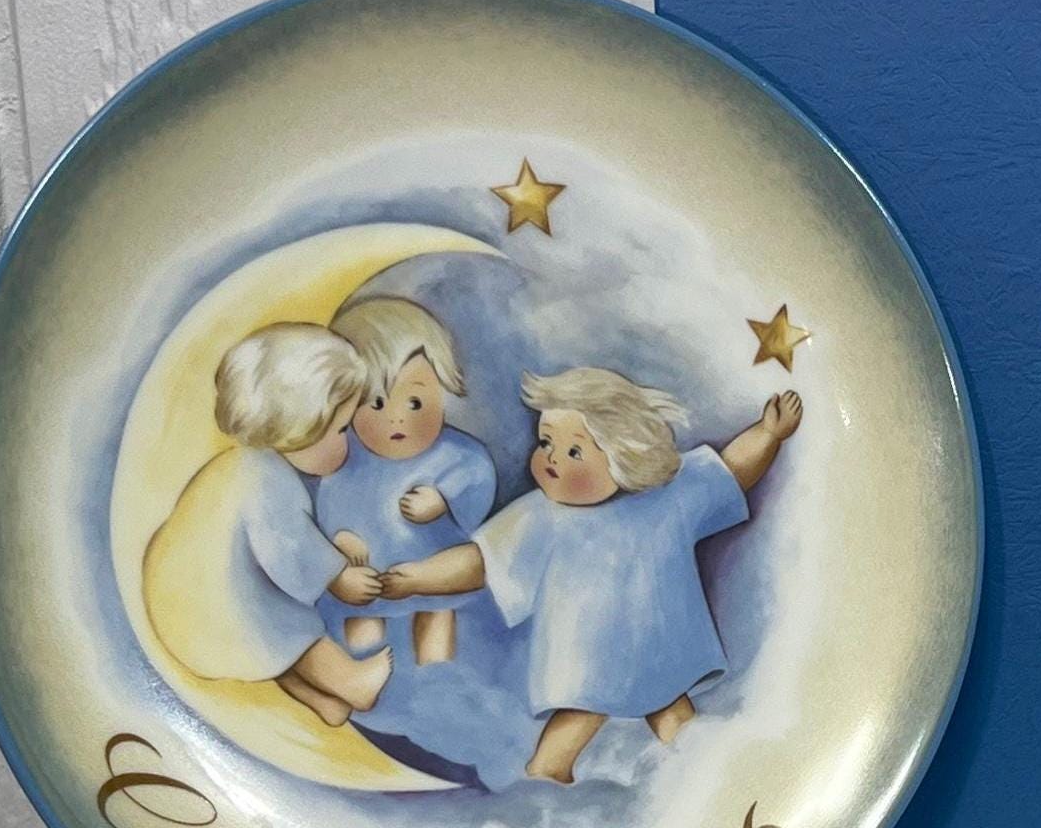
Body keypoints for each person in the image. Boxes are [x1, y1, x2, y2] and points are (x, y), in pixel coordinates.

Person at [383, 368, 802, 782]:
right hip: (587, 658)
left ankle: (700, 779)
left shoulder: (667, 498)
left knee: (674, 716)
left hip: (657, 647)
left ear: (623, 458)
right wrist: (417, 578)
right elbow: (480, 561)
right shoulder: (541, 517)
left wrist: (769, 433)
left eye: (574, 452)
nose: (551, 458)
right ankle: (545, 781)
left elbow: (732, 471)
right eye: (546, 442)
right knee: (577, 719)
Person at [142, 323, 389, 725]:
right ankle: (350, 682)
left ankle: (321, 701)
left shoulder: (237, 464)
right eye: (341, 429)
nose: (348, 443)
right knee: (281, 622)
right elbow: (289, 553)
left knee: (254, 601)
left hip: (174, 611)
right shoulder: (267, 478)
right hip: (217, 625)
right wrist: (338, 577)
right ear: (302, 425)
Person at [313, 296, 496, 666]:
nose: (397, 419)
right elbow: (329, 498)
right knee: (362, 623)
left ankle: (438, 673)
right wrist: (340, 538)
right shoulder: (344, 454)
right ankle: (366, 670)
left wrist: (445, 499)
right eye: (377, 403)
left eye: (414, 403)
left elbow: (476, 481)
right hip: (369, 573)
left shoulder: (456, 453)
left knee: (436, 616)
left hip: (430, 566)